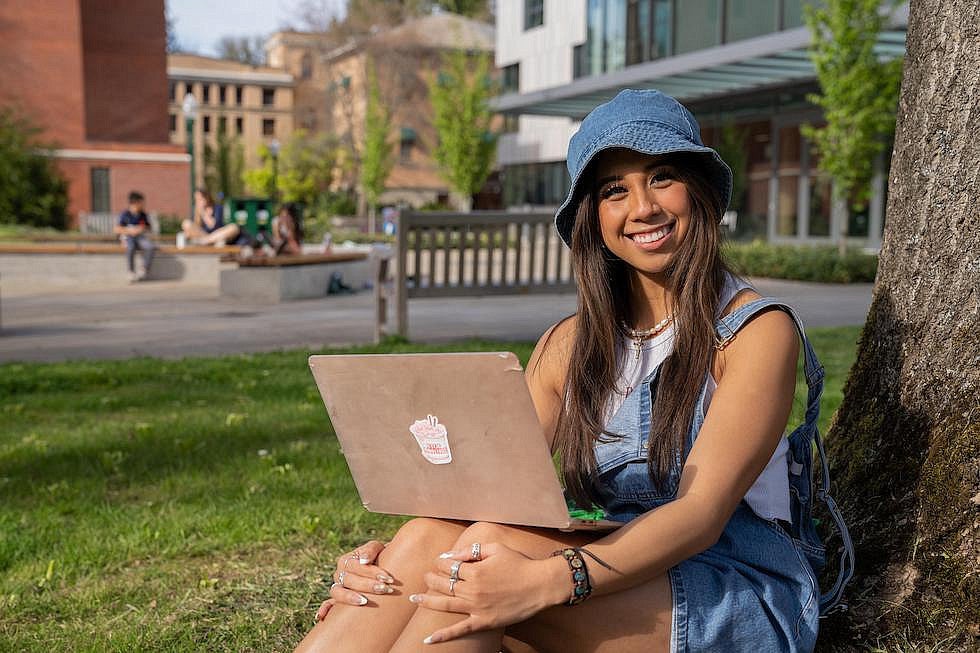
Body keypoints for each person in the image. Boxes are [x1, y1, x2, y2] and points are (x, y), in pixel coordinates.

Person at [294, 90, 851, 653]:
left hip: (729, 584)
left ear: (699, 189)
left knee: (473, 558)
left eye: (661, 177)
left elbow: (700, 513)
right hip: (605, 561)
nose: (643, 208)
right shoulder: (570, 345)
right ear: (594, 216)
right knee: (431, 542)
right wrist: (389, 567)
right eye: (615, 190)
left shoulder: (753, 332)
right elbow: (482, 494)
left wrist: (546, 581)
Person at [114, 190, 155, 282]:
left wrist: (141, 228)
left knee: (150, 247)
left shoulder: (142, 215)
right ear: (135, 203)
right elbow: (117, 229)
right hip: (128, 237)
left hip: (140, 237)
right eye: (141, 203)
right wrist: (129, 230)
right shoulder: (125, 214)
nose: (143, 205)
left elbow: (148, 227)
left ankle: (144, 269)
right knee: (130, 247)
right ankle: (131, 271)